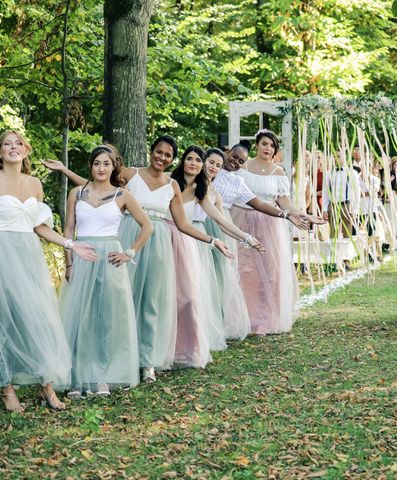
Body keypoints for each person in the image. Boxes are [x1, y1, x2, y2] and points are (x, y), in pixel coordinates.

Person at [43, 135, 229, 380]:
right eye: (158, 152)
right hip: (126, 236)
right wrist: (65, 171)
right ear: (151, 151)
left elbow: (183, 224)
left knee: (152, 301)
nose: (162, 157)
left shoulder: (172, 185)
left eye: (168, 155)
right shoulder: (131, 174)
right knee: (120, 299)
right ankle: (118, 356)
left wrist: (212, 240)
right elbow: (97, 189)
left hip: (157, 241)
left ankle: (147, 361)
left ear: (173, 159)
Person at [0, 130, 97, 413]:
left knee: (37, 316)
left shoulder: (35, 184)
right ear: (0, 151)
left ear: (26, 150)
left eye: (18, 143)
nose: (13, 147)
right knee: (5, 319)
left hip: (28, 256)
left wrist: (71, 244)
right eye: (7, 143)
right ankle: (7, 389)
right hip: (2, 253)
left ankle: (46, 385)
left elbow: (40, 227)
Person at [59, 144, 152, 397]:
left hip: (111, 259)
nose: (101, 168)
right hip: (82, 257)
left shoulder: (122, 195)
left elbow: (147, 226)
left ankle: (103, 377)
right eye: (97, 163)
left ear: (114, 167)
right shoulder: (77, 194)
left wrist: (129, 252)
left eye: (106, 164)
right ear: (90, 165)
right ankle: (77, 377)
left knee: (107, 319)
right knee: (80, 319)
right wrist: (68, 262)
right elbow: (68, 232)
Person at [209, 145, 314, 338]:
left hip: (222, 225)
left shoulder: (238, 182)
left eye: (241, 161)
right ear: (227, 152)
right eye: (234, 157)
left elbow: (260, 204)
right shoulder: (210, 169)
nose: (236, 162)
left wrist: (288, 215)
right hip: (201, 224)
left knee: (223, 273)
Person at [172, 146, 263, 347]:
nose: (213, 167)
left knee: (195, 291)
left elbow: (222, 221)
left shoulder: (209, 192)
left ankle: (193, 337)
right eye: (211, 162)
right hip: (176, 236)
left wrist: (246, 238)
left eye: (218, 165)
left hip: (199, 240)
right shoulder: (174, 183)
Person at [230, 130, 300, 334]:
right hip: (241, 219)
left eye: (272, 146)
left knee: (271, 271)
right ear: (257, 145)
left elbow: (284, 201)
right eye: (264, 144)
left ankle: (268, 317)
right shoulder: (242, 166)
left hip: (270, 224)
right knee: (244, 269)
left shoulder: (278, 172)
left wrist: (300, 215)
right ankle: (246, 317)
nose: (267, 148)